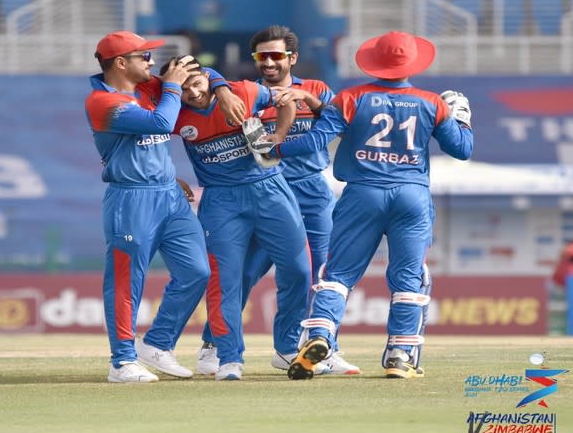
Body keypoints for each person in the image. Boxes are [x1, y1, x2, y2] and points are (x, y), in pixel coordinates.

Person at [261, 31, 474, 379]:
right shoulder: (431, 102)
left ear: (376, 61)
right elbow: (462, 149)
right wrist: (460, 116)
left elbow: (316, 139)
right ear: (411, 63)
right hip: (411, 196)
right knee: (408, 278)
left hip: (362, 194)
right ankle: (401, 356)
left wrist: (278, 147)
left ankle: (320, 338)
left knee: (337, 275)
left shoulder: (352, 97)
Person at [195, 25, 360, 376]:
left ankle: (315, 346)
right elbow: (200, 75)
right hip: (265, 189)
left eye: (276, 56)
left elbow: (343, 123)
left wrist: (308, 101)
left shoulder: (315, 88)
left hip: (313, 192)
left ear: (292, 58)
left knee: (318, 275)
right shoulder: (247, 93)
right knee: (243, 274)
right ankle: (212, 343)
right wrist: (220, 86)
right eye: (262, 56)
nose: (269, 62)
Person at [85, 31, 245, 383]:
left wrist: (218, 86)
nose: (151, 62)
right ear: (121, 63)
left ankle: (157, 343)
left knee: (197, 272)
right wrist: (171, 85)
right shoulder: (102, 102)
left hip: (169, 196)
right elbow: (161, 122)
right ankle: (122, 361)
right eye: (144, 57)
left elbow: (198, 74)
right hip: (131, 199)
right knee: (127, 280)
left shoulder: (152, 87)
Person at [164, 57, 312, 380]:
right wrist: (168, 176)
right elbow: (145, 138)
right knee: (224, 280)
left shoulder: (243, 91)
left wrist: (280, 135)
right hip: (220, 199)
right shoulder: (174, 109)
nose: (192, 92)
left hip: (270, 188)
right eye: (184, 88)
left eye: (197, 83)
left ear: (206, 77)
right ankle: (229, 357)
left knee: (299, 269)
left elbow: (286, 99)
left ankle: (287, 348)